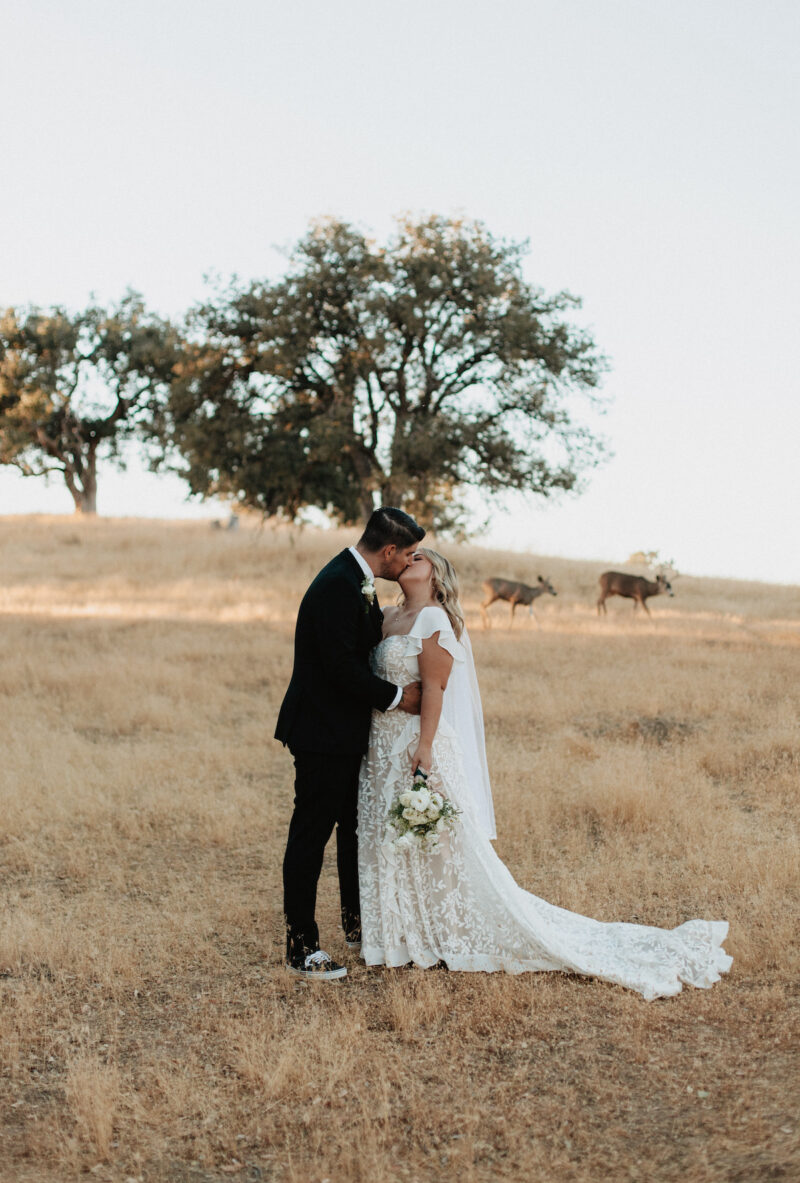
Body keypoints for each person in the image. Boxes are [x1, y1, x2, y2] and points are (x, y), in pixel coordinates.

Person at [357, 549, 732, 1000]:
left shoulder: (435, 619)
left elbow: (435, 688)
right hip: (380, 747)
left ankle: (441, 931)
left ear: (436, 575)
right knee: (395, 838)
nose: (409, 559)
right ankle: (403, 931)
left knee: (439, 844)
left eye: (420, 557)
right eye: (407, 555)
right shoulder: (389, 615)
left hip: (417, 744)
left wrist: (425, 747)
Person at [275, 507, 426, 980]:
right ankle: (302, 948)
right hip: (321, 733)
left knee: (351, 832)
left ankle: (357, 925)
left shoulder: (353, 580)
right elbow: (341, 670)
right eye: (408, 556)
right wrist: (400, 697)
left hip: (343, 733)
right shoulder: (339, 585)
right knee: (310, 836)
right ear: (389, 552)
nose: (409, 564)